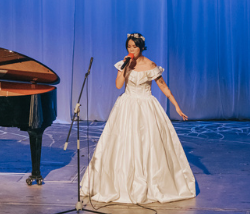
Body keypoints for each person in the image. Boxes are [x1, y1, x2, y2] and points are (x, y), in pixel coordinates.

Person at [79, 33, 196, 204]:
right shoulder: (124, 63)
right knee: (123, 144)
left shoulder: (150, 65)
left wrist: (176, 106)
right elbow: (119, 85)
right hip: (127, 106)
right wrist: (125, 67)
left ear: (141, 47)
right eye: (129, 46)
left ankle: (151, 183)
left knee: (148, 144)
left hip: (146, 106)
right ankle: (119, 183)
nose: (131, 49)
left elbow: (163, 86)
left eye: (134, 46)